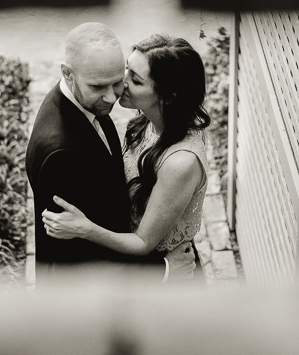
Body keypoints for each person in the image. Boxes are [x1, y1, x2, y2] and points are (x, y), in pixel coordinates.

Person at [25, 22, 197, 286]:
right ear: (68, 74)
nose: (110, 97)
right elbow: (77, 258)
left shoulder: (87, 106)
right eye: (98, 86)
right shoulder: (60, 153)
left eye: (119, 81)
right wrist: (162, 270)